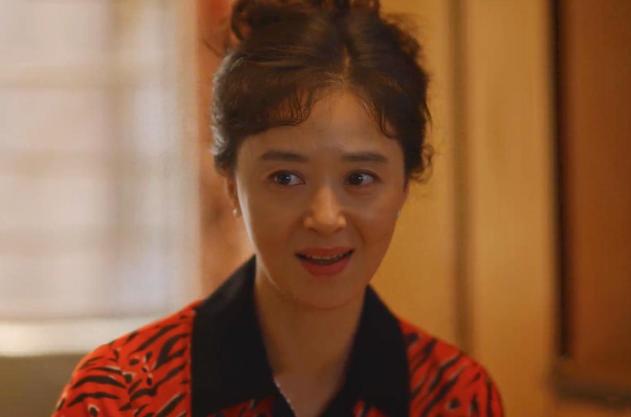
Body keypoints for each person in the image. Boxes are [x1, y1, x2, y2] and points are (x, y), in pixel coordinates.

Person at [52, 1, 504, 416]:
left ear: (404, 184)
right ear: (231, 184)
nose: (325, 217)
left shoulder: (453, 396)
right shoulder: (122, 394)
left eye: (359, 179)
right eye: (286, 178)